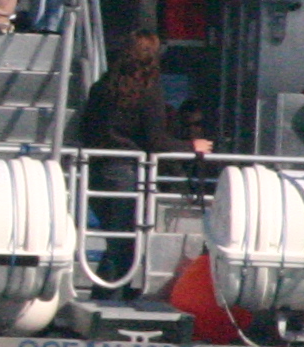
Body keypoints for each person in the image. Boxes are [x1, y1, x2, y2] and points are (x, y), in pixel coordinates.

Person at [73, 30, 211, 283]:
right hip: (126, 170)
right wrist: (192, 146)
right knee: (125, 243)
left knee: (116, 240)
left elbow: (85, 129)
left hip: (95, 169)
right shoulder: (148, 91)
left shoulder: (101, 87)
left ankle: (110, 292)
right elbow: (156, 141)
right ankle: (111, 294)